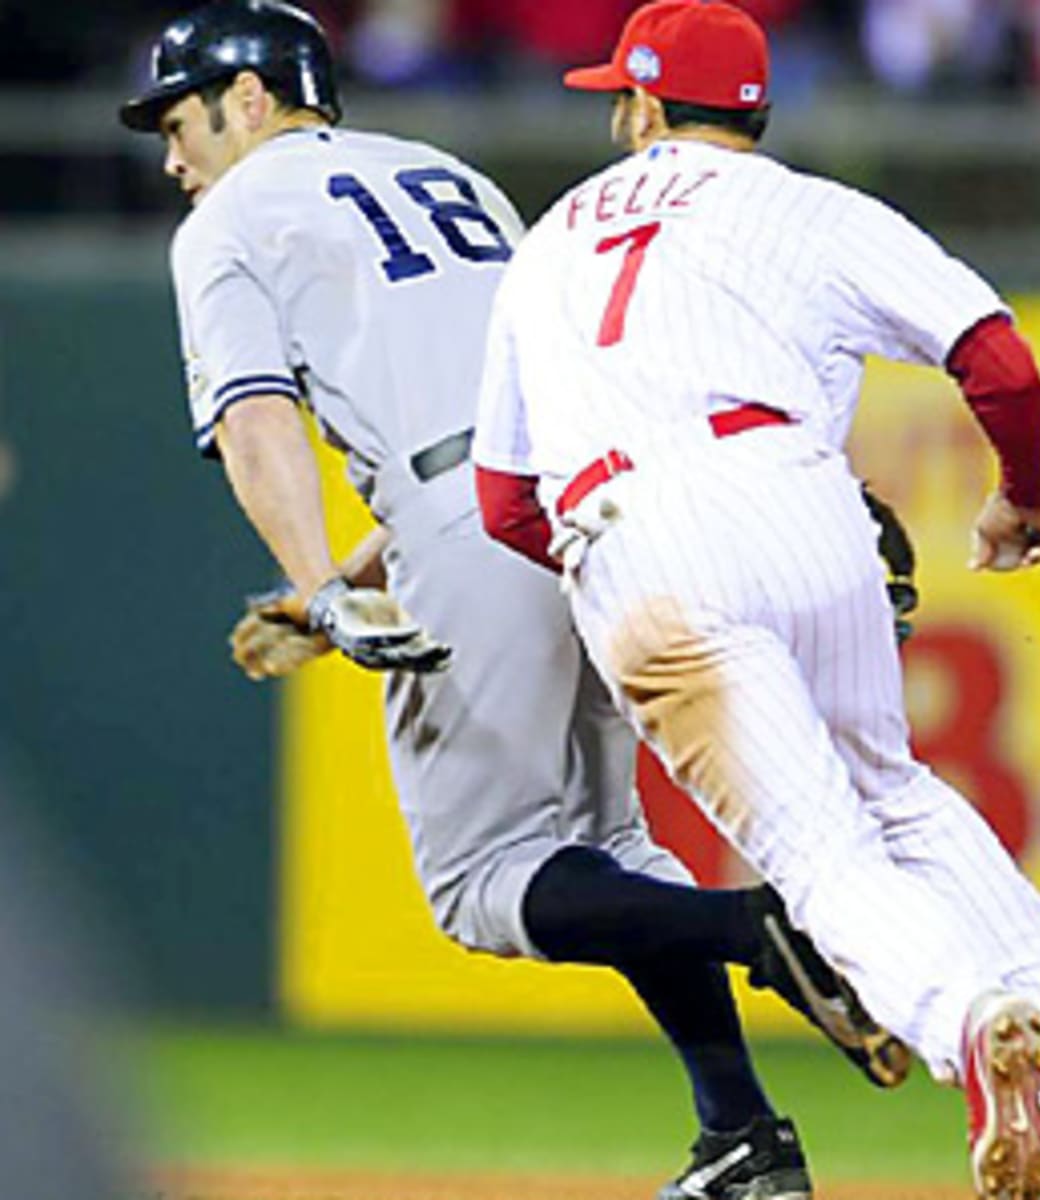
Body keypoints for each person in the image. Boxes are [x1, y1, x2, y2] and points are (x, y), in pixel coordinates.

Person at [118, 5, 911, 1199]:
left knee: (483, 882)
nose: (171, 156)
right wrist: (357, 576)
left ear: (248, 100)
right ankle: (741, 1137)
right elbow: (513, 404)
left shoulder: (229, 218)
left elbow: (253, 412)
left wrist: (320, 581)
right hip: (582, 506)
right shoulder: (454, 176)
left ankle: (766, 933)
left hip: (468, 516)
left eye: (179, 120)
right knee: (616, 849)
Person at [470, 2, 1040, 1198]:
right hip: (802, 493)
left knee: (819, 857)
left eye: (617, 99)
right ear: (753, 110)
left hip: (633, 521)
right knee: (899, 797)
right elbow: (995, 358)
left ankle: (967, 1021)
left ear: (640, 108)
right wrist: (1027, 501)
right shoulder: (813, 208)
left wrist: (614, 573)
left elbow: (501, 501)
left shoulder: (549, 241)